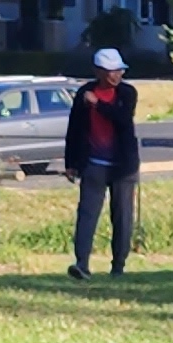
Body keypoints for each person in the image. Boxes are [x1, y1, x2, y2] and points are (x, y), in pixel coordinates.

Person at [65, 46, 141, 277]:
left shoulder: (127, 93)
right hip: (93, 164)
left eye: (119, 70)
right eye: (111, 71)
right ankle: (81, 264)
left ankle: (118, 265)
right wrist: (71, 162)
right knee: (87, 214)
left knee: (122, 216)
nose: (116, 75)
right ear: (98, 71)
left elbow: (122, 118)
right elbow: (74, 128)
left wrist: (97, 104)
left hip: (122, 167)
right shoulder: (84, 93)